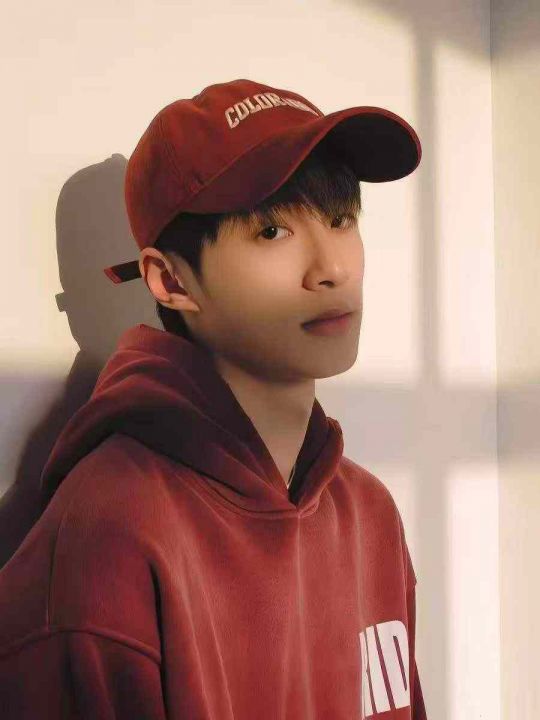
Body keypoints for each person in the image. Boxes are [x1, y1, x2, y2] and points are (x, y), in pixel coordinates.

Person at [0, 78, 426, 718]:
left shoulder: (368, 515)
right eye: (272, 231)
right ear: (170, 280)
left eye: (341, 219)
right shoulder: (110, 535)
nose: (332, 268)